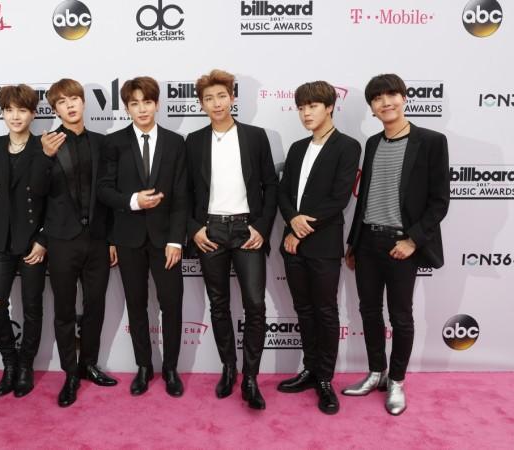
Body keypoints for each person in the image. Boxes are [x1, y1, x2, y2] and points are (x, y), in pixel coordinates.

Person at [342, 74, 450, 416]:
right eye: (377, 98)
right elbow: (364, 200)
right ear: (372, 108)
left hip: (403, 245)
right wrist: (353, 242)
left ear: (404, 98)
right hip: (368, 242)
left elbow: (439, 201)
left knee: (401, 316)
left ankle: (398, 381)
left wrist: (413, 241)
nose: (385, 102)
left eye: (391, 95)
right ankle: (377, 372)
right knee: (369, 311)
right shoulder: (372, 143)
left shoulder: (431, 141)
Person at [186, 69, 278, 410]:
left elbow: (270, 185)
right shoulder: (193, 141)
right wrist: (195, 228)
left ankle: (251, 377)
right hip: (210, 231)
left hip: (246, 231)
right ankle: (229, 368)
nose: (216, 103)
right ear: (201, 104)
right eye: (208, 98)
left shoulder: (255, 137)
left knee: (255, 304)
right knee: (219, 304)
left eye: (221, 96)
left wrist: (262, 228)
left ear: (233, 98)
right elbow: (183, 191)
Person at [30, 78, 118, 408]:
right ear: (54, 109)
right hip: (62, 240)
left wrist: (110, 238)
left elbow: (109, 194)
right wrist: (44, 157)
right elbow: (35, 192)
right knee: (65, 310)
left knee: (95, 306)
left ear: (83, 103)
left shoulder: (102, 143)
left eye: (74, 99)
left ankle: (88, 365)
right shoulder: (46, 143)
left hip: (97, 240)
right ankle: (69, 373)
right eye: (61, 102)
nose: (69, 105)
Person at [97, 76, 187, 398]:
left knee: (172, 305)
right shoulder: (113, 143)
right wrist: (133, 201)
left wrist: (177, 240)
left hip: (166, 241)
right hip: (128, 236)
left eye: (147, 102)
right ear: (126, 108)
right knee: (136, 306)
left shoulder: (177, 143)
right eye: (134, 103)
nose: (142, 109)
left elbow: (181, 195)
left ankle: (171, 368)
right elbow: (104, 190)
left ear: (157, 104)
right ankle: (144, 367)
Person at [276, 81, 361, 415]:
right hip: (293, 246)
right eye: (301, 107)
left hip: (322, 245)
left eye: (312, 105)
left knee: (325, 311)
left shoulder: (347, 146)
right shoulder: (297, 148)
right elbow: (284, 193)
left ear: (330, 107)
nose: (306, 112)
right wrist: (291, 220)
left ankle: (325, 379)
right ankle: (309, 369)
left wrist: (300, 229)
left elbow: (338, 199)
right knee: (304, 310)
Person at [0, 84, 47, 398]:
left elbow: (55, 200)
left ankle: (26, 367)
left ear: (33, 113)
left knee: (31, 308)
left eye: (23, 110)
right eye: (10, 110)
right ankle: (10, 364)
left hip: (32, 242)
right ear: (2, 112)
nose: (16, 116)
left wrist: (44, 240)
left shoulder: (45, 145)